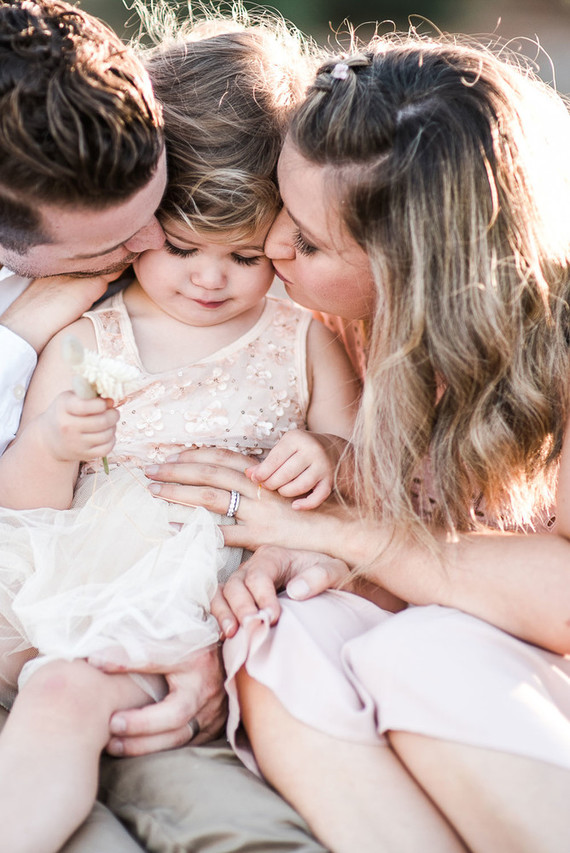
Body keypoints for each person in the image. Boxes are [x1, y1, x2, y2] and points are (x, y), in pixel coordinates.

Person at [144, 34, 570, 853]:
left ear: (418, 270)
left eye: (305, 241)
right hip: (456, 635)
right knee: (282, 636)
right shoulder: (322, 323)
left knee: (424, 651)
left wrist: (344, 535)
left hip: (507, 669)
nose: (270, 251)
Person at [0, 1, 330, 850]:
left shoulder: (300, 326)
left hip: (214, 606)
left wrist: (327, 452)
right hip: (61, 607)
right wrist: (39, 403)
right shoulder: (83, 334)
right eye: (173, 243)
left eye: (244, 254)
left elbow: (362, 455)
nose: (203, 274)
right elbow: (29, 510)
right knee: (60, 707)